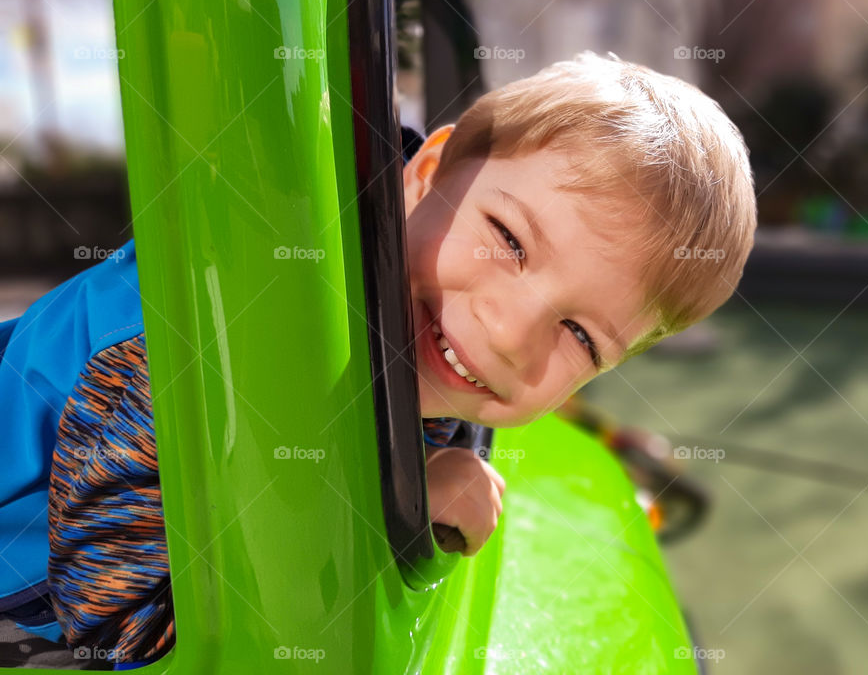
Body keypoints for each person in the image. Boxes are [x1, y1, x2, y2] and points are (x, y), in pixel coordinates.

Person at [0, 51, 756, 666]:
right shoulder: (190, 348)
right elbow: (129, 633)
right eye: (512, 239)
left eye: (581, 336)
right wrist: (374, 512)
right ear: (425, 172)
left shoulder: (410, 317)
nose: (509, 331)